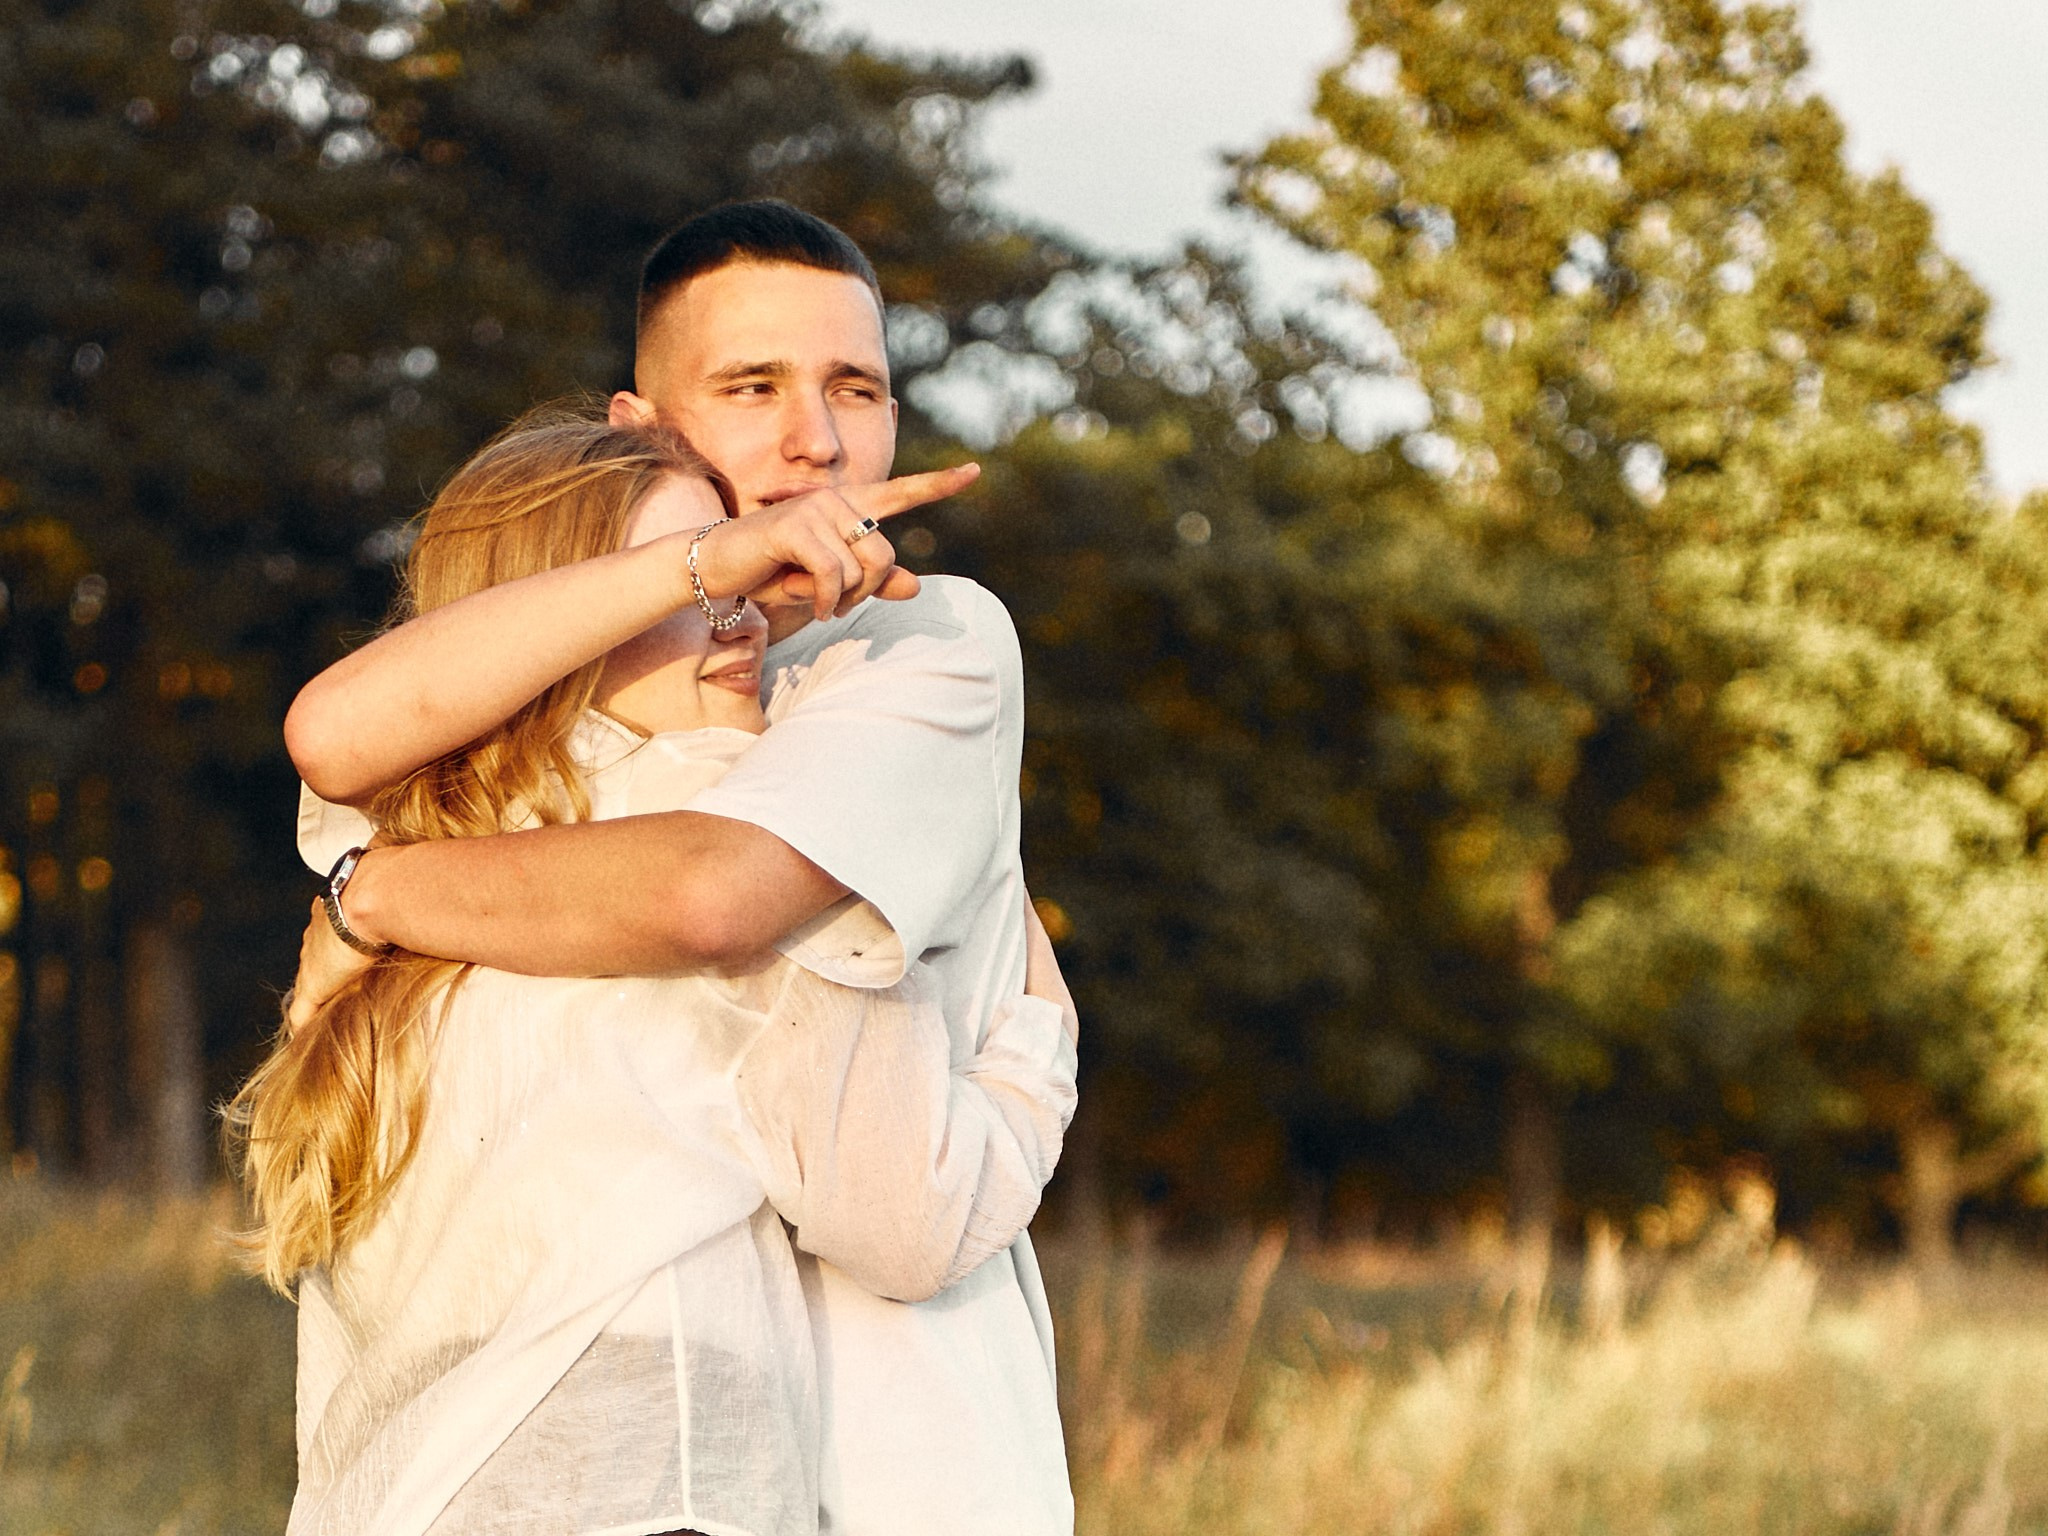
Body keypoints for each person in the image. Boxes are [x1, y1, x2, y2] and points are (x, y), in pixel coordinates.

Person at [284, 200, 1076, 1534]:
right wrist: (694, 561)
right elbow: (329, 731)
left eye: (856, 388)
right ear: (642, 421)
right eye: (752, 386)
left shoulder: (918, 641)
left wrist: (383, 893)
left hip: (891, 1470)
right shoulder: (510, 728)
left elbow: (712, 895)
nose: (814, 439)